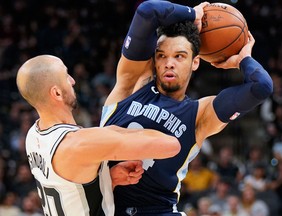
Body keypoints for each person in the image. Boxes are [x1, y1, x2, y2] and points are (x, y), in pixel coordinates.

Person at [100, 0, 273, 215]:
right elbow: (147, 11)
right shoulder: (131, 84)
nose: (169, 63)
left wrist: (242, 60)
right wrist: (194, 13)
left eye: (179, 56)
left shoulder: (200, 115)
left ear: (195, 62)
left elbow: (262, 86)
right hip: (102, 206)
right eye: (161, 55)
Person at [16, 54, 181, 216]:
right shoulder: (77, 144)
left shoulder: (34, 136)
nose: (72, 80)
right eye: (66, 76)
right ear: (57, 93)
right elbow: (170, 146)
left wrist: (108, 179)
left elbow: (68, 188)